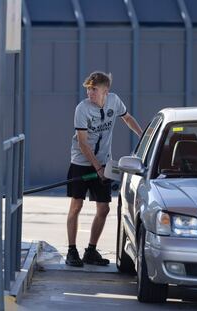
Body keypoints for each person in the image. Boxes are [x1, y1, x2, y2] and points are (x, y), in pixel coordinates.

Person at [66, 71, 143, 267]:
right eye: (88, 89)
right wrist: (97, 167)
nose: (89, 93)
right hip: (82, 163)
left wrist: (143, 137)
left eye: (93, 89)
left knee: (104, 208)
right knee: (76, 206)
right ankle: (71, 251)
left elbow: (127, 119)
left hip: (103, 163)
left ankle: (91, 251)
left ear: (105, 91)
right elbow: (83, 144)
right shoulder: (82, 109)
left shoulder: (114, 101)